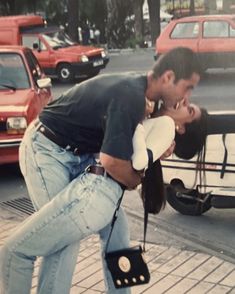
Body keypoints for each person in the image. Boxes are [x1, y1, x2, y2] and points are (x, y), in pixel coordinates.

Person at [0, 47, 201, 294]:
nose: (188, 97)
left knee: (119, 233)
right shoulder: (131, 94)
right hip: (46, 150)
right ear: (169, 77)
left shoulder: (147, 99)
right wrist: (135, 179)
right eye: (188, 88)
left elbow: (137, 143)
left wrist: (157, 146)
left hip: (78, 156)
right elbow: (112, 162)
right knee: (64, 241)